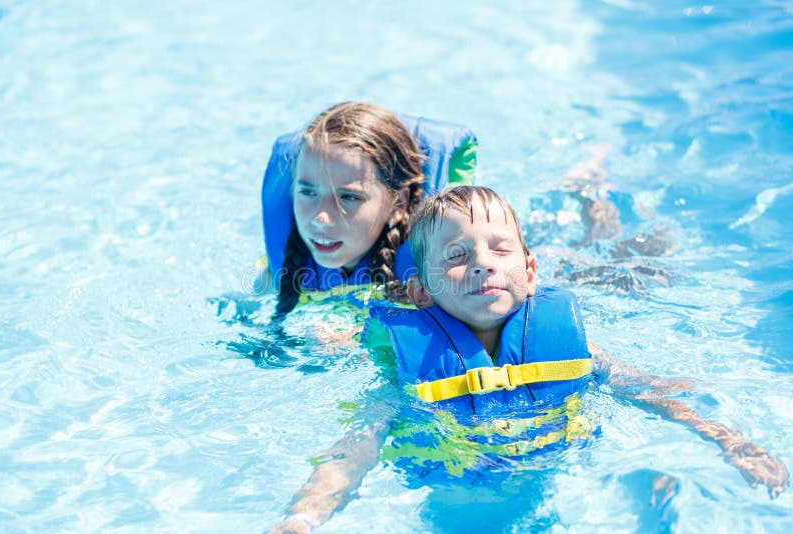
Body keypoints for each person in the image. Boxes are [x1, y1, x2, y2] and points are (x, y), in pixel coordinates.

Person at [272, 186, 788, 533]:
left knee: (631, 260)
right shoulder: (408, 368)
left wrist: (731, 443)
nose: (482, 263)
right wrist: (308, 513)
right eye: (456, 256)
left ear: (531, 271)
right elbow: (358, 445)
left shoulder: (573, 347)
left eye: (500, 249)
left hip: (554, 478)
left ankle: (593, 195)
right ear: (420, 291)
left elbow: (654, 392)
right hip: (450, 493)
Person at [257, 102, 477, 318]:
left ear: (398, 205)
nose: (320, 219)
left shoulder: (434, 279)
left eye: (349, 197)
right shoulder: (277, 271)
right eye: (308, 192)